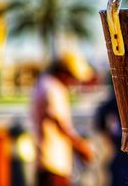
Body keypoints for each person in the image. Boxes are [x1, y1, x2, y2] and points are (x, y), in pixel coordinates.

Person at [31, 58, 94, 186]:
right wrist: (80, 146)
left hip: (47, 160)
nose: (73, 83)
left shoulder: (44, 84)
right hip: (53, 161)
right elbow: (59, 123)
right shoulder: (53, 88)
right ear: (64, 73)